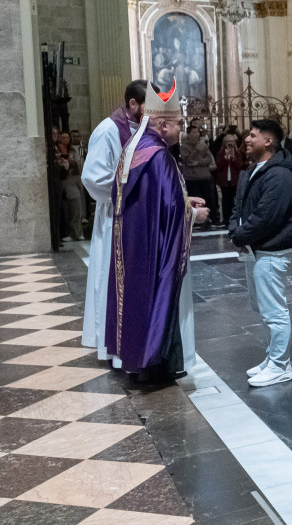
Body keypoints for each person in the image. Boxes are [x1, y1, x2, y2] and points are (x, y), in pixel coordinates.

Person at [106, 82, 209, 379]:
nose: (182, 129)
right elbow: (169, 208)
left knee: (138, 300)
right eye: (179, 123)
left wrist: (183, 198)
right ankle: (155, 367)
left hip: (135, 241)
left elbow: (151, 199)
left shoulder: (136, 148)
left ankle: (141, 364)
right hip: (155, 245)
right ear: (163, 125)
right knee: (158, 299)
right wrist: (194, 214)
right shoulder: (159, 155)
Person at [229, 119, 292, 388]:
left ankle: (280, 366)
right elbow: (239, 207)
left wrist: (240, 236)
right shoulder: (253, 170)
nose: (247, 139)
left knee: (274, 311)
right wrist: (235, 231)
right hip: (255, 249)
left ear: (268, 141)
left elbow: (267, 216)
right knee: (261, 307)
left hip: (272, 250)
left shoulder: (280, 174)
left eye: (253, 135)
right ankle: (272, 357)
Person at [81, 79, 148, 366]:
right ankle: (110, 346)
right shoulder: (108, 130)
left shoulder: (143, 130)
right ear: (133, 104)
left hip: (137, 218)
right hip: (113, 217)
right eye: (148, 106)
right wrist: (134, 186)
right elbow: (92, 177)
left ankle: (130, 343)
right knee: (110, 281)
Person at [181, 125, 218, 227]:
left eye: (197, 132)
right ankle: (196, 220)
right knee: (195, 201)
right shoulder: (184, 146)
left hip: (205, 176)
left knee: (209, 199)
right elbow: (188, 161)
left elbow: (209, 159)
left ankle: (213, 218)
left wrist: (198, 163)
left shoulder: (202, 144)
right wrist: (197, 150)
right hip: (192, 178)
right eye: (194, 132)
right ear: (188, 134)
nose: (196, 135)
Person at [214, 135, 245, 226]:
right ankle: (226, 219)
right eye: (228, 141)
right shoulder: (220, 153)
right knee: (225, 200)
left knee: (234, 200)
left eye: (231, 141)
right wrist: (225, 157)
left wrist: (233, 158)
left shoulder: (238, 153)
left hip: (234, 180)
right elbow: (218, 165)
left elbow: (239, 166)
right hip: (224, 180)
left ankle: (234, 218)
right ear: (224, 143)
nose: (230, 143)